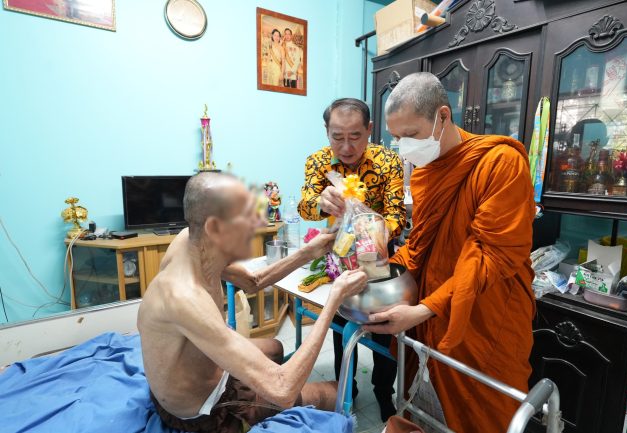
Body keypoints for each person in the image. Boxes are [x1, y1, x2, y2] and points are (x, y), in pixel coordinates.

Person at [364, 72, 536, 433]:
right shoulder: (426, 171)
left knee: (483, 414)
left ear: (443, 116)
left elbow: (493, 256)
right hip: (430, 312)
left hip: (485, 316)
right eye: (396, 138)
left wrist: (422, 310)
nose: (403, 147)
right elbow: (420, 245)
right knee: (424, 410)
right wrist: (377, 274)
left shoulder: (500, 162)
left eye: (411, 134)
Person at [138, 172, 368, 433]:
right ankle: (252, 410)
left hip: (205, 370)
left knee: (275, 347)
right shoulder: (184, 296)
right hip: (206, 408)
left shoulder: (191, 240)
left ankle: (261, 385)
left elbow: (253, 281)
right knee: (335, 391)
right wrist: (333, 299)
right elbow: (283, 389)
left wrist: (308, 252)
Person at [297, 98, 406, 421]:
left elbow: (397, 215)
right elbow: (305, 207)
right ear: (326, 131)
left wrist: (371, 233)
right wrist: (320, 202)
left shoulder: (388, 161)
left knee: (384, 326)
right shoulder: (318, 162)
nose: (346, 147)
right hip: (339, 258)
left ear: (370, 129)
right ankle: (347, 388)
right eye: (337, 137)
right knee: (342, 323)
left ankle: (383, 391)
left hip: (379, 257)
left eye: (355, 136)